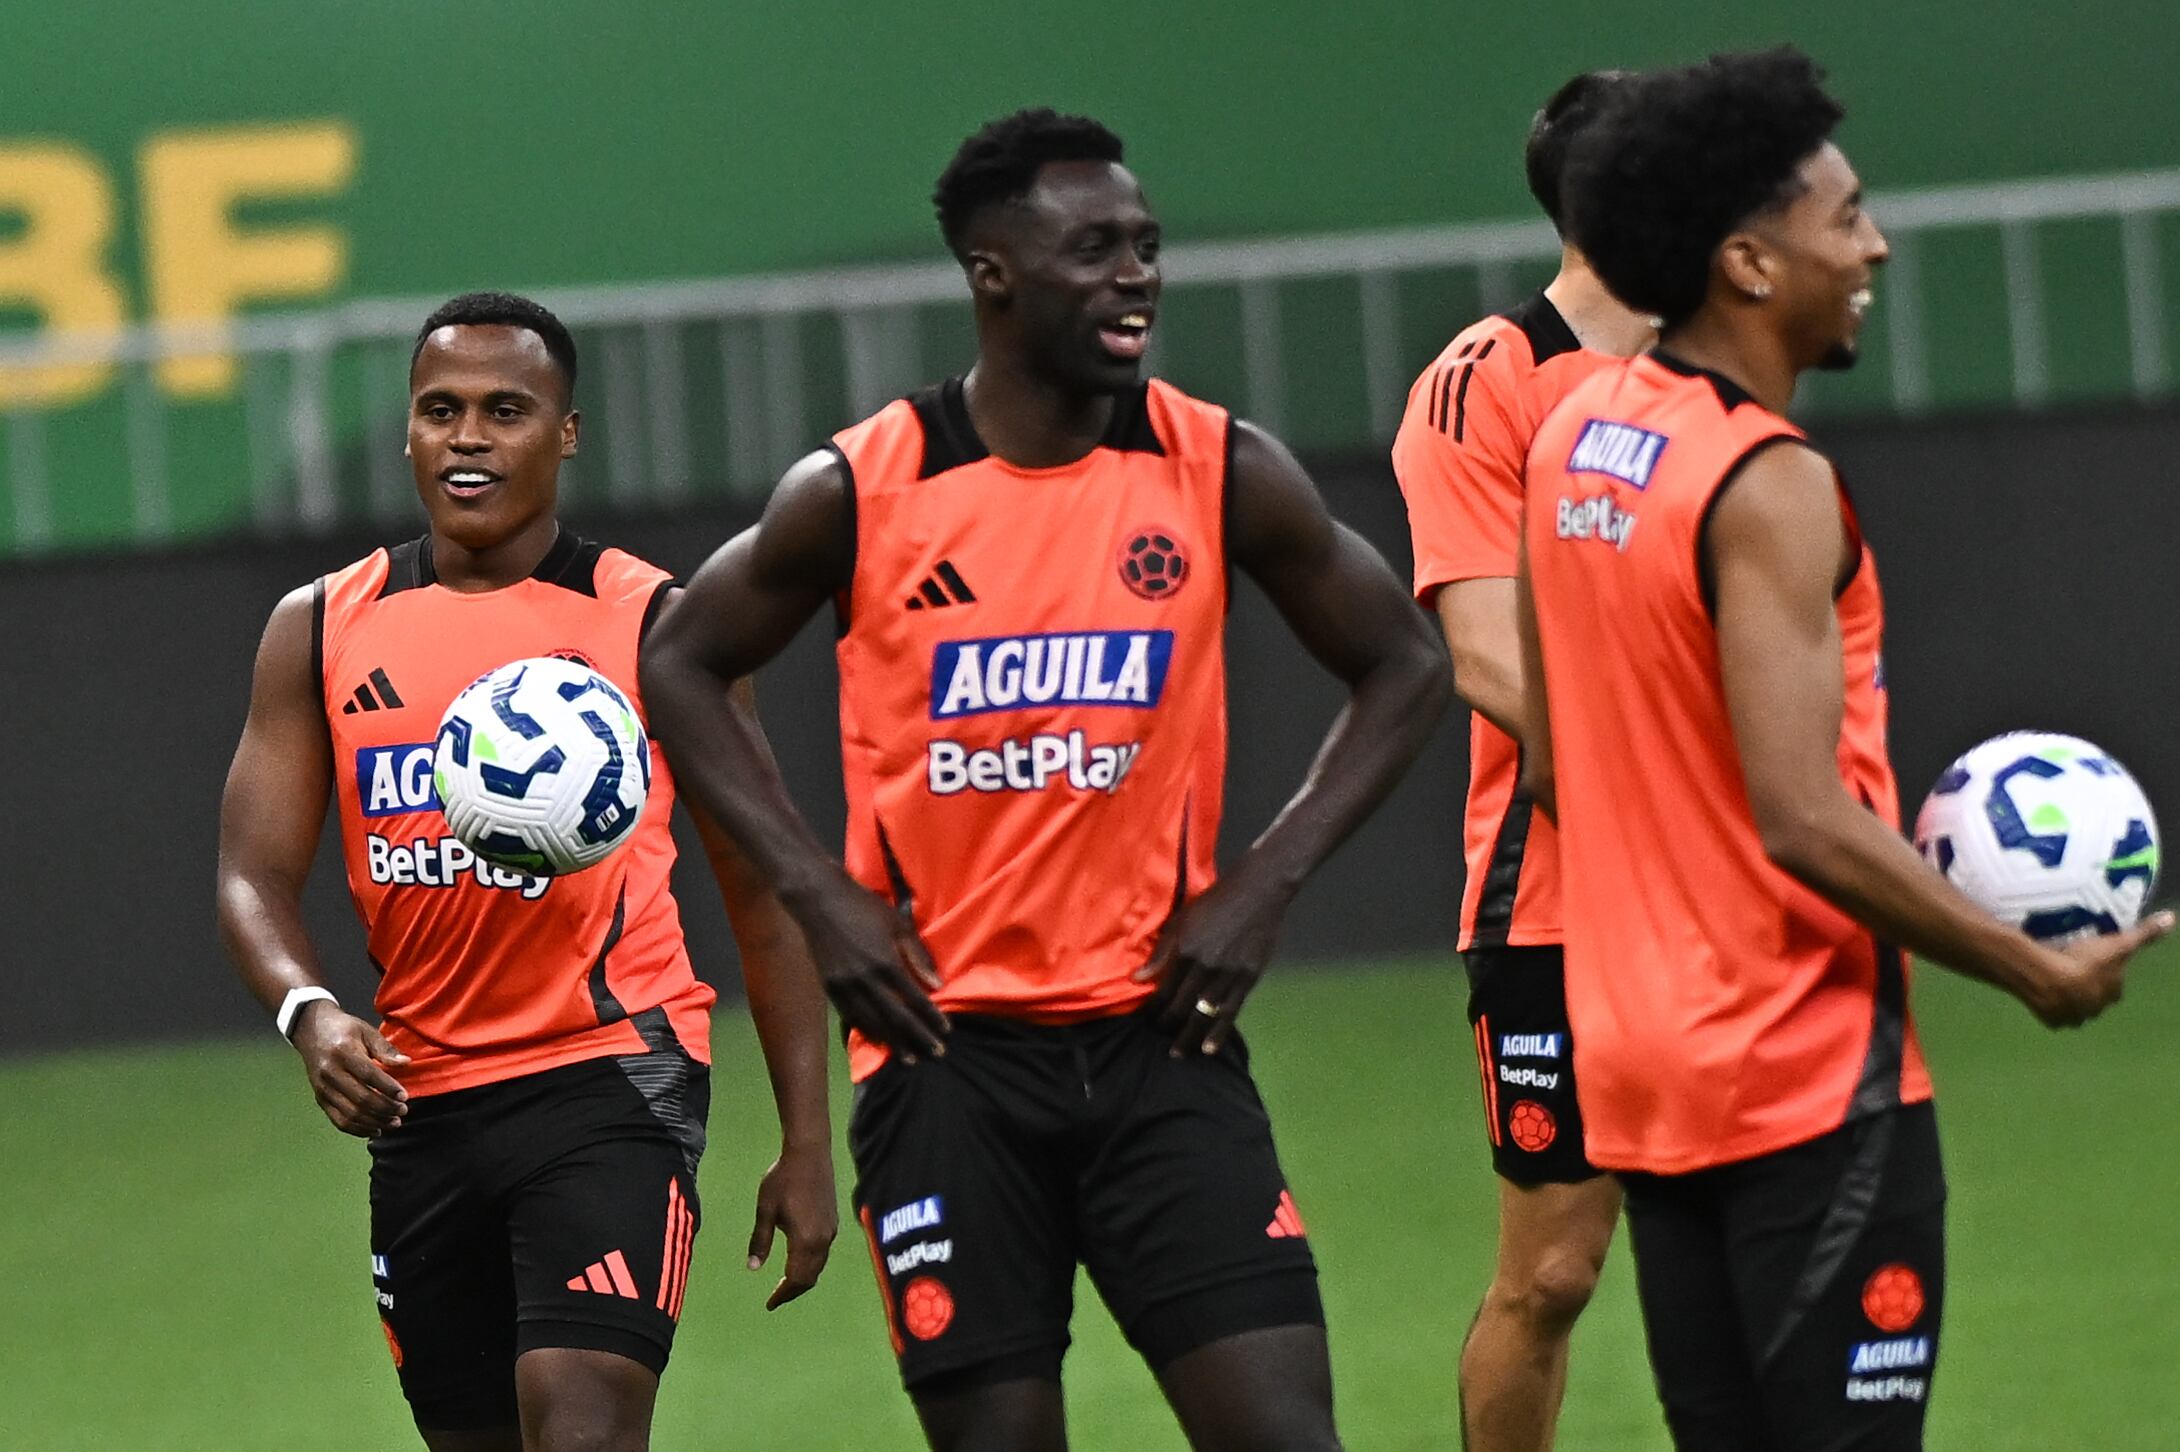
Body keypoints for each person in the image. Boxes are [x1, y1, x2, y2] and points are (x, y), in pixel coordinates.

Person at [640, 109, 1451, 1452]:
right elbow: (677, 659)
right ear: (992, 273)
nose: (1134, 274)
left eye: (1145, 246)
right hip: (943, 1063)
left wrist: (1266, 880)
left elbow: (1406, 664)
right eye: (1092, 250)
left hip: (1162, 1045)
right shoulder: (866, 486)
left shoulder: (1215, 465)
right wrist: (819, 893)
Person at [1515, 50, 2173, 1451]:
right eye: (1846, 216)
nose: (1872, 245)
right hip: (1797, 1083)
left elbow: (1560, 758)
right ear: (1749, 263)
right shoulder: (1769, 481)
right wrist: (2034, 968)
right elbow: (1802, 818)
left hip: (1637, 1069)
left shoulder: (1575, 432)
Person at [215, 292, 837, 1452]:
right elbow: (250, 878)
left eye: (506, 411)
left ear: (565, 434)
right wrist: (310, 1018)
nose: (467, 437)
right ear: (406, 432)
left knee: (584, 1425)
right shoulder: (318, 628)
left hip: (611, 1081)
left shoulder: (659, 623)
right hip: (420, 1104)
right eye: (439, 410)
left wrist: (808, 1138)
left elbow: (763, 884)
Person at [1390, 69, 1652, 1452]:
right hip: (1550, 903)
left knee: (1734, 1253)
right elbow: (1487, 664)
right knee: (1551, 1275)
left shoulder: (1713, 379)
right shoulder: (1483, 381)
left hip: (1714, 906)